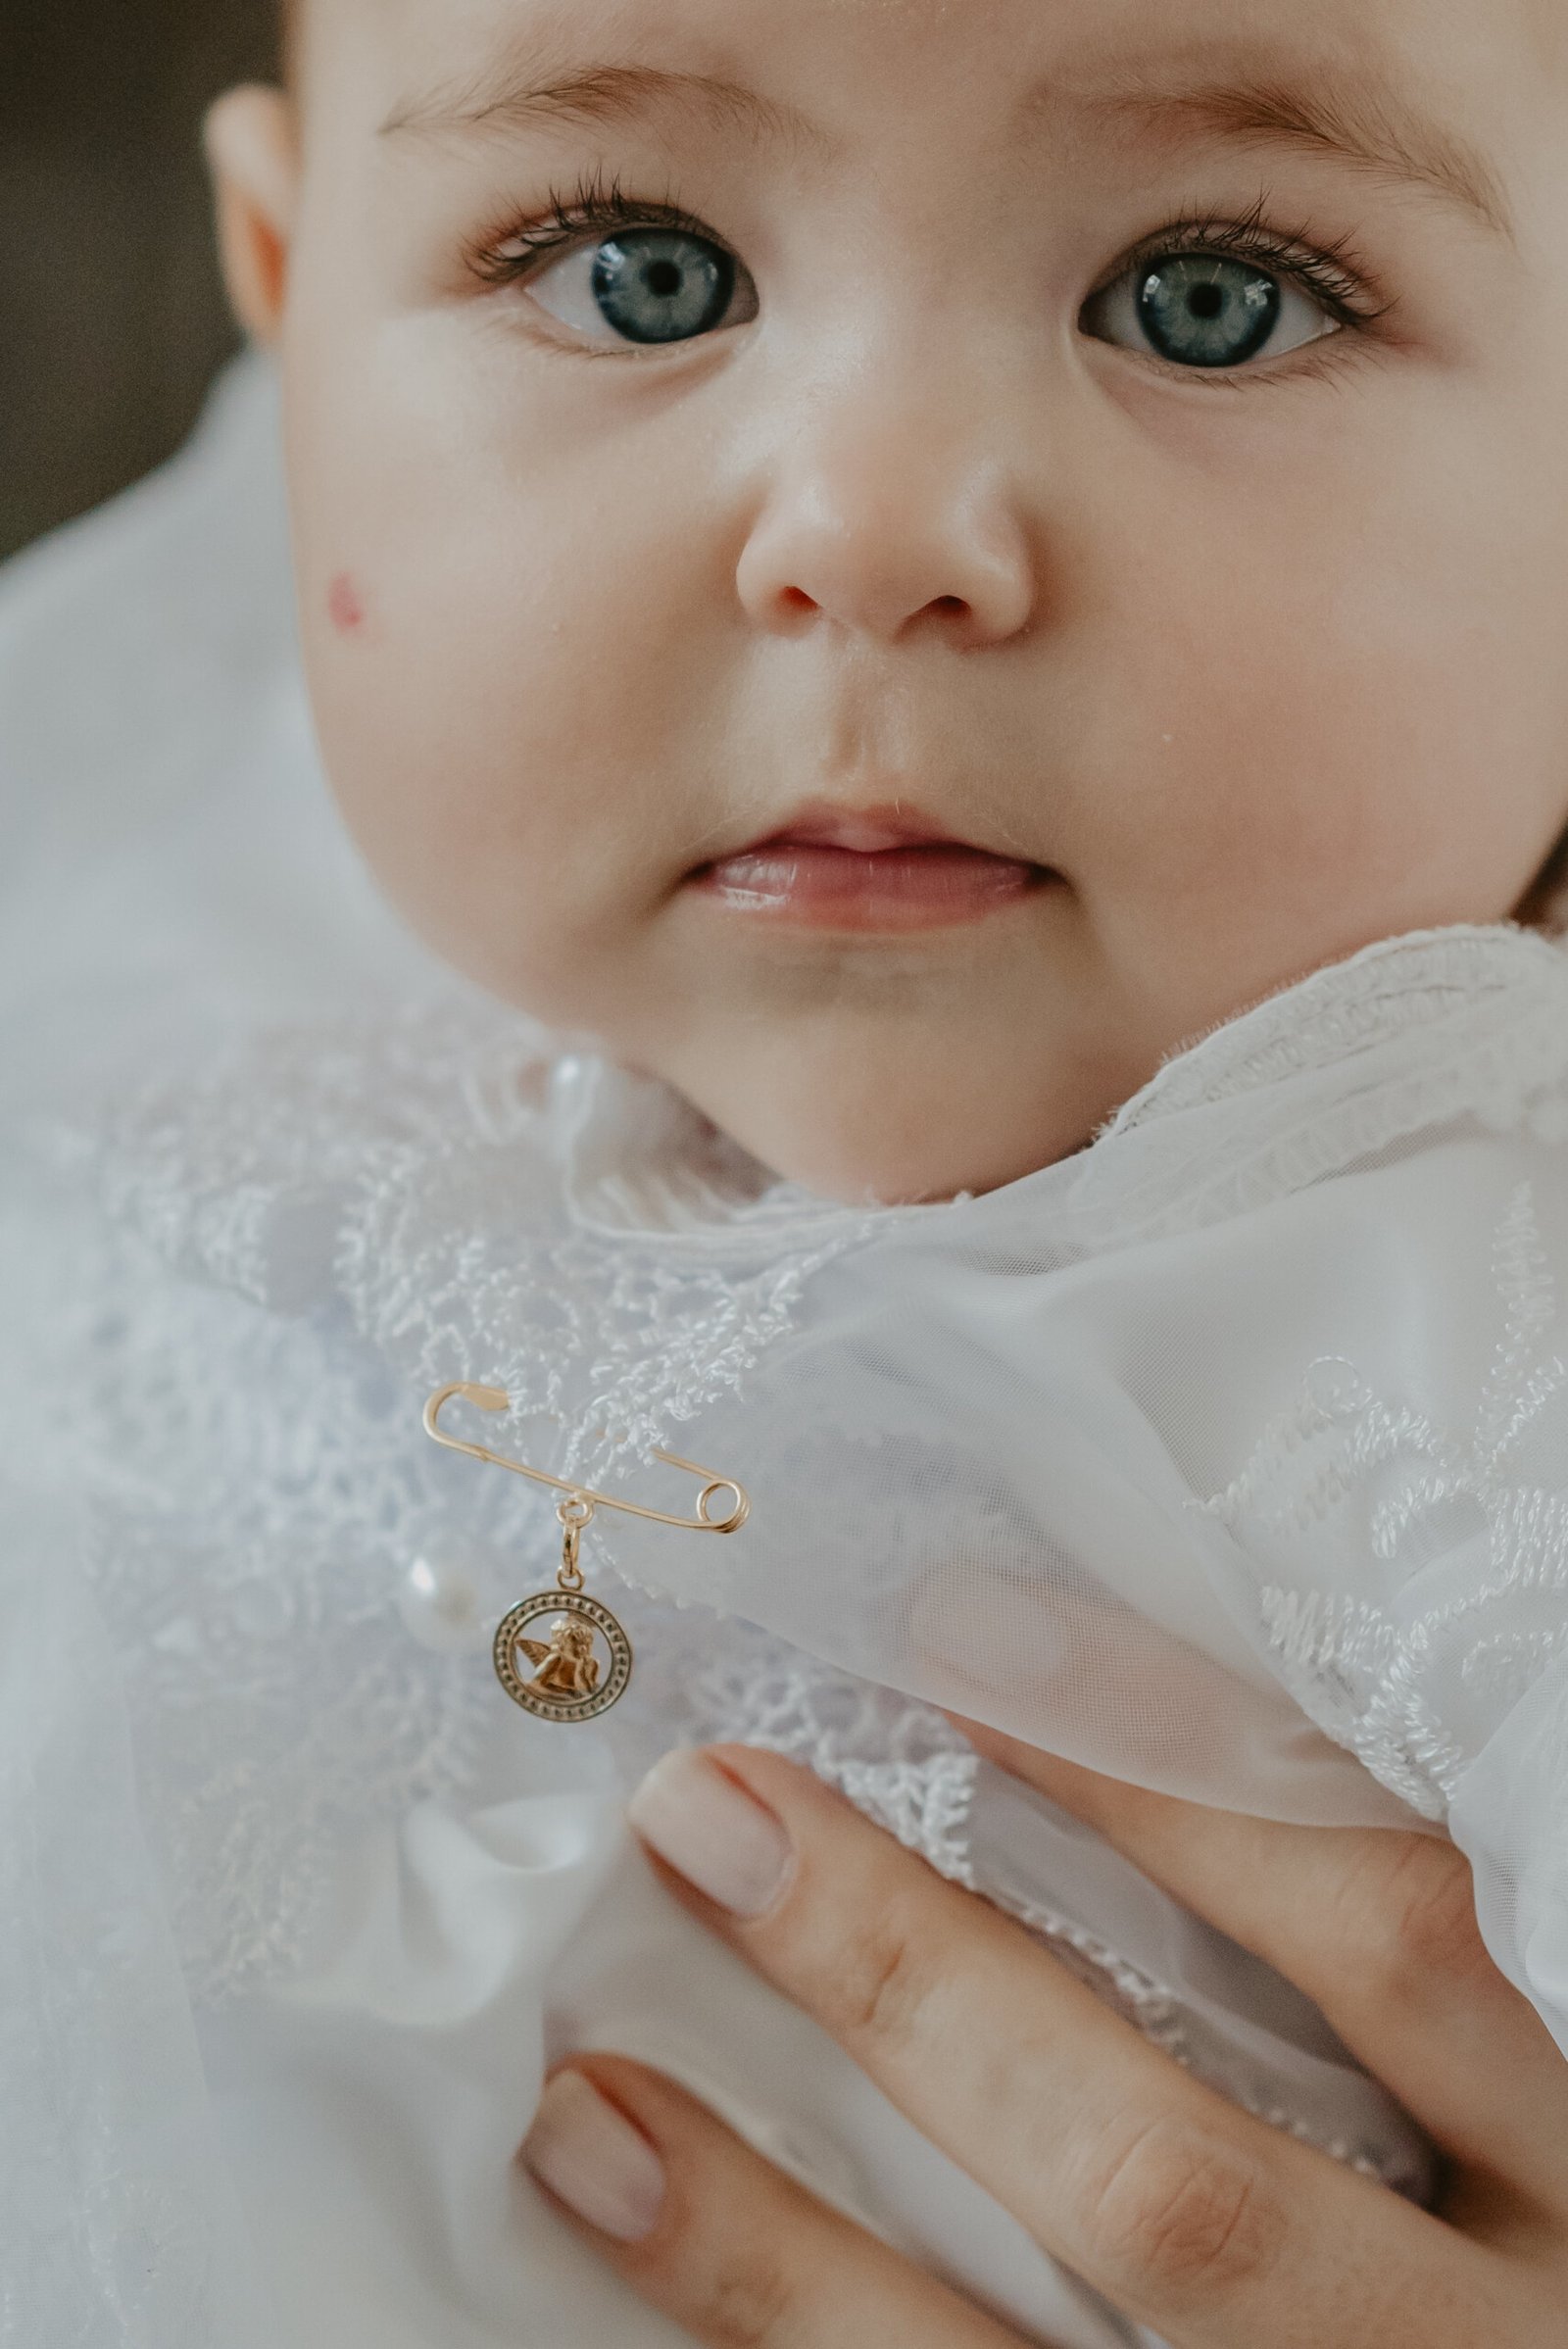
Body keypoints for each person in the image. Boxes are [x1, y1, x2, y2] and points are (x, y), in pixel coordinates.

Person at [6, 0, 1568, 2341]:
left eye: (1207, 297)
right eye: (635, 267)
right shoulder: (127, 942)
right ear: (289, 279)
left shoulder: (1455, 1272)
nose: (872, 530)